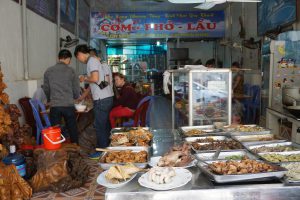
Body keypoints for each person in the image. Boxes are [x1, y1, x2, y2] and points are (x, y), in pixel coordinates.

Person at [74, 44, 114, 159]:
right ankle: (107, 148)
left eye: (78, 58)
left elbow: (94, 79)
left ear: (80, 54)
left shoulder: (91, 61)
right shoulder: (102, 63)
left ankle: (102, 151)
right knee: (104, 125)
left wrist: (84, 78)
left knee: (99, 125)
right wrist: (82, 97)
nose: (80, 60)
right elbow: (97, 83)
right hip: (108, 97)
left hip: (101, 99)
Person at [43, 49, 80, 144]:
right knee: (72, 128)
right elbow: (76, 88)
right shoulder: (72, 71)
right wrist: (76, 97)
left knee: (55, 130)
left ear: (58, 58)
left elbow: (46, 88)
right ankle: (75, 147)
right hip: (68, 104)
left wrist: (49, 99)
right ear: (68, 59)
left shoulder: (49, 71)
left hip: (55, 105)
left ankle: (57, 149)